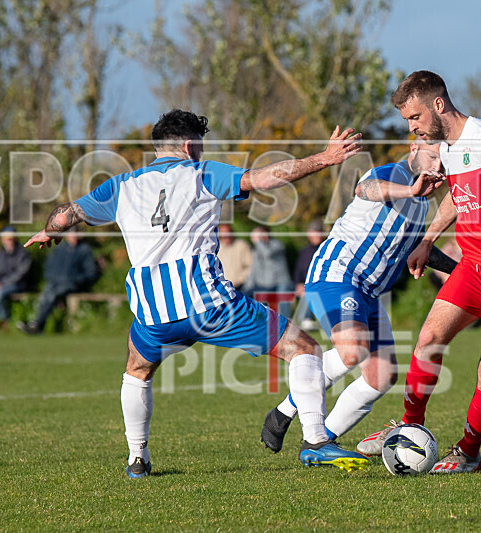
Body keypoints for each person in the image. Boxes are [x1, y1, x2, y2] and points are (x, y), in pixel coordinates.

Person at [24, 109, 368, 477]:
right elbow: (266, 178)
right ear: (189, 146)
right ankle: (315, 440)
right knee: (304, 349)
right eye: (200, 146)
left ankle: (136, 458)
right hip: (210, 305)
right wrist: (324, 158)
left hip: (153, 313)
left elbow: (66, 214)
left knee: (137, 371)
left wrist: (49, 231)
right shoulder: (203, 173)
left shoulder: (121, 185)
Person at [357, 71, 481, 473]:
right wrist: (429, 239)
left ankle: (468, 452)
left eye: (414, 118)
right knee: (430, 337)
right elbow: (459, 195)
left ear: (437, 105)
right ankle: (409, 428)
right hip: (477, 263)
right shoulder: (447, 146)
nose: (412, 128)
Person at [261, 141, 459, 454]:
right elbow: (365, 188)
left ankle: (319, 437)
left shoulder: (421, 206)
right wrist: (410, 190)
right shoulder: (395, 173)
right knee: (352, 352)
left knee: (382, 376)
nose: (436, 167)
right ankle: (299, 422)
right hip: (337, 274)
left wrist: (461, 272)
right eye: (432, 156)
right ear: (414, 147)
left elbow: (418, 249)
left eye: (442, 161)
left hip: (367, 291)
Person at [17, 230, 97, 334]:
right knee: (46, 294)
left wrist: (76, 279)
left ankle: (37, 325)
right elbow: (48, 267)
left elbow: (90, 273)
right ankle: (36, 324)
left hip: (73, 284)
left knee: (51, 294)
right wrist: (52, 279)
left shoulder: (84, 250)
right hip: (54, 283)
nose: (73, 236)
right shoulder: (59, 249)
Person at [0, 226, 31, 326]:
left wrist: (2, 284)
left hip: (17, 284)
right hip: (0, 285)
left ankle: (5, 320)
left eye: (10, 238)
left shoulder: (23, 254)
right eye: (5, 239)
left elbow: (20, 274)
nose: (8, 241)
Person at [243, 226, 292, 295]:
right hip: (264, 285)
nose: (254, 239)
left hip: (280, 283)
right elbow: (254, 269)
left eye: (257, 236)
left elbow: (267, 254)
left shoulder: (277, 245)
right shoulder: (255, 250)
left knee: (281, 302)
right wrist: (247, 288)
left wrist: (258, 242)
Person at [216, 223, 251, 288]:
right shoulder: (217, 247)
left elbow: (250, 266)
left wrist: (241, 279)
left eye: (228, 232)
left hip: (241, 286)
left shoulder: (242, 245)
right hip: (222, 287)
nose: (226, 236)